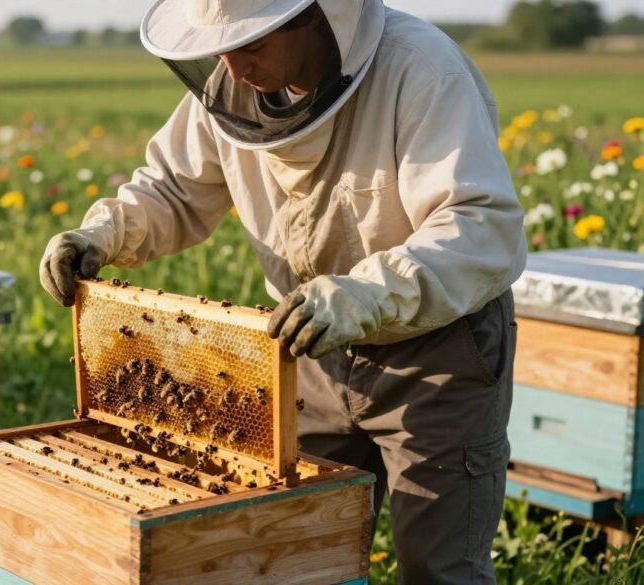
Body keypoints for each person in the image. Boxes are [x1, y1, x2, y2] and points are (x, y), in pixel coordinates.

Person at [40, 0, 526, 582]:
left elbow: (478, 226)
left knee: (439, 567)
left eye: (252, 45)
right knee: (299, 550)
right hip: (311, 349)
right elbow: (172, 188)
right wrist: (103, 232)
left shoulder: (419, 69)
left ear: (317, 19)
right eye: (221, 47)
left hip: (435, 356)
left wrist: (366, 294)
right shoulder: (230, 88)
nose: (234, 67)